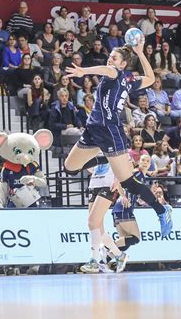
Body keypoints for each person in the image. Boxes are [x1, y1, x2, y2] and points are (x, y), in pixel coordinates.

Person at [63, 38, 173, 237]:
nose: (109, 59)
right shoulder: (129, 79)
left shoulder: (115, 73)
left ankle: (162, 210)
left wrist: (84, 71)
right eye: (109, 56)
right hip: (92, 129)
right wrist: (140, 52)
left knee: (128, 182)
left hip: (109, 131)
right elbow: (149, 77)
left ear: (122, 64)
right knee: (69, 168)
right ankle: (108, 158)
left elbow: (108, 71)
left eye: (114, 58)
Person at [79, 160, 128, 274]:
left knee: (92, 223)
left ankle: (94, 261)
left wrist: (117, 180)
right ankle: (119, 255)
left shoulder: (113, 144)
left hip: (108, 185)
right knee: (98, 228)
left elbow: (122, 162)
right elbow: (92, 167)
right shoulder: (93, 146)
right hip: (94, 184)